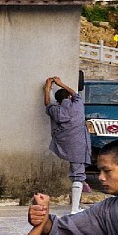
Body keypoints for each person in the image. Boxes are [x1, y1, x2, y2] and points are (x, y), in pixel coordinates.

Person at [43, 76, 89, 214]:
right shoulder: (77, 106)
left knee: (76, 173)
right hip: (79, 145)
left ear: (58, 101)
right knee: (78, 175)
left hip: (65, 144)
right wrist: (60, 83)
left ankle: (75, 207)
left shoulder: (56, 110)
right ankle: (75, 209)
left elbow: (47, 103)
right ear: (69, 97)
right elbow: (74, 93)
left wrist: (47, 88)